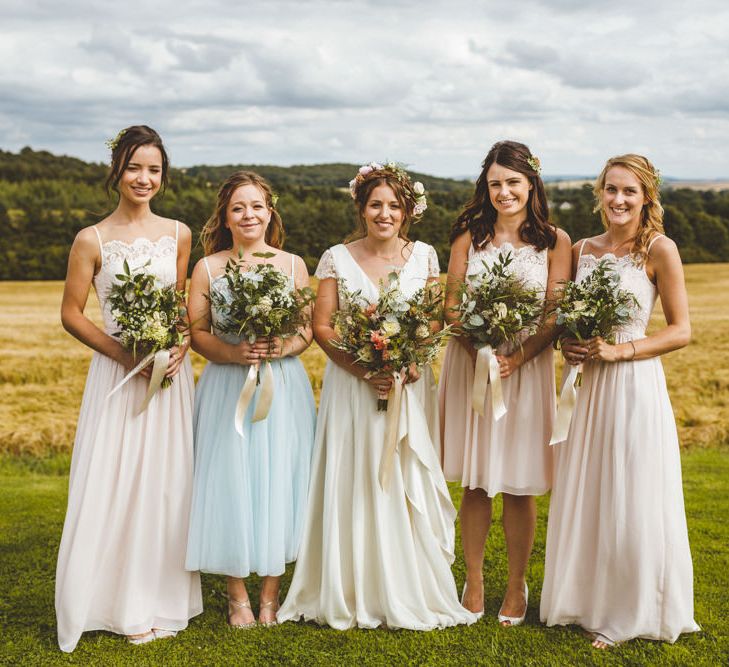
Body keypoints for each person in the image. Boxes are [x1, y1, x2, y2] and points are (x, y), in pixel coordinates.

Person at [277, 162, 476, 630]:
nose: (384, 213)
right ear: (361, 209)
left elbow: (431, 320)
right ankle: (351, 583)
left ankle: (410, 584)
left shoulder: (425, 255)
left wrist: (408, 360)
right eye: (376, 205)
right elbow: (323, 326)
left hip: (409, 381)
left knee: (404, 474)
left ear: (407, 210)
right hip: (352, 384)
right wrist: (362, 367)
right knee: (356, 472)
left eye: (394, 205)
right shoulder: (335, 257)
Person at [540, 154, 701, 648]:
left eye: (629, 191)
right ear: (600, 193)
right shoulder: (582, 249)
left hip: (633, 385)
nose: (618, 199)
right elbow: (562, 318)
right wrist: (566, 342)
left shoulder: (659, 248)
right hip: (586, 387)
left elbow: (681, 330)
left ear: (646, 197)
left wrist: (619, 350)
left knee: (631, 490)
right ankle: (582, 601)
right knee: (588, 488)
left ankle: (628, 611)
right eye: (611, 189)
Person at [55, 125, 202, 651]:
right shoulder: (90, 239)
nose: (145, 179)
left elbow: (180, 305)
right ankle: (106, 601)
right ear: (117, 170)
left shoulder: (179, 233)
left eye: (154, 170)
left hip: (170, 377)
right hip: (120, 374)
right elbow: (71, 314)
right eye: (135, 167)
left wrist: (180, 344)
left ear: (164, 176)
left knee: (164, 483)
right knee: (112, 478)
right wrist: (125, 356)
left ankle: (158, 597)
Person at [439, 140, 571, 624]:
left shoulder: (555, 240)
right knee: (476, 482)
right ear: (485, 185)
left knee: (520, 484)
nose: (503, 192)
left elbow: (555, 312)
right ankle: (473, 581)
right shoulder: (467, 237)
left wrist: (518, 356)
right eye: (495, 183)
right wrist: (481, 350)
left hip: (526, 369)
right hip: (474, 365)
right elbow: (452, 306)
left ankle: (516, 586)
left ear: (531, 183)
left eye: (513, 182)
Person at [185, 171, 316, 628]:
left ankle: (271, 593)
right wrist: (234, 352)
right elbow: (197, 334)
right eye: (238, 207)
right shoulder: (207, 267)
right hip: (226, 384)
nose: (248, 215)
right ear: (225, 215)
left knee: (279, 477)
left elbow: (306, 329)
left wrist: (283, 347)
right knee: (230, 480)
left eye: (257, 206)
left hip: (282, 387)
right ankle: (236, 593)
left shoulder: (293, 264)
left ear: (269, 211)